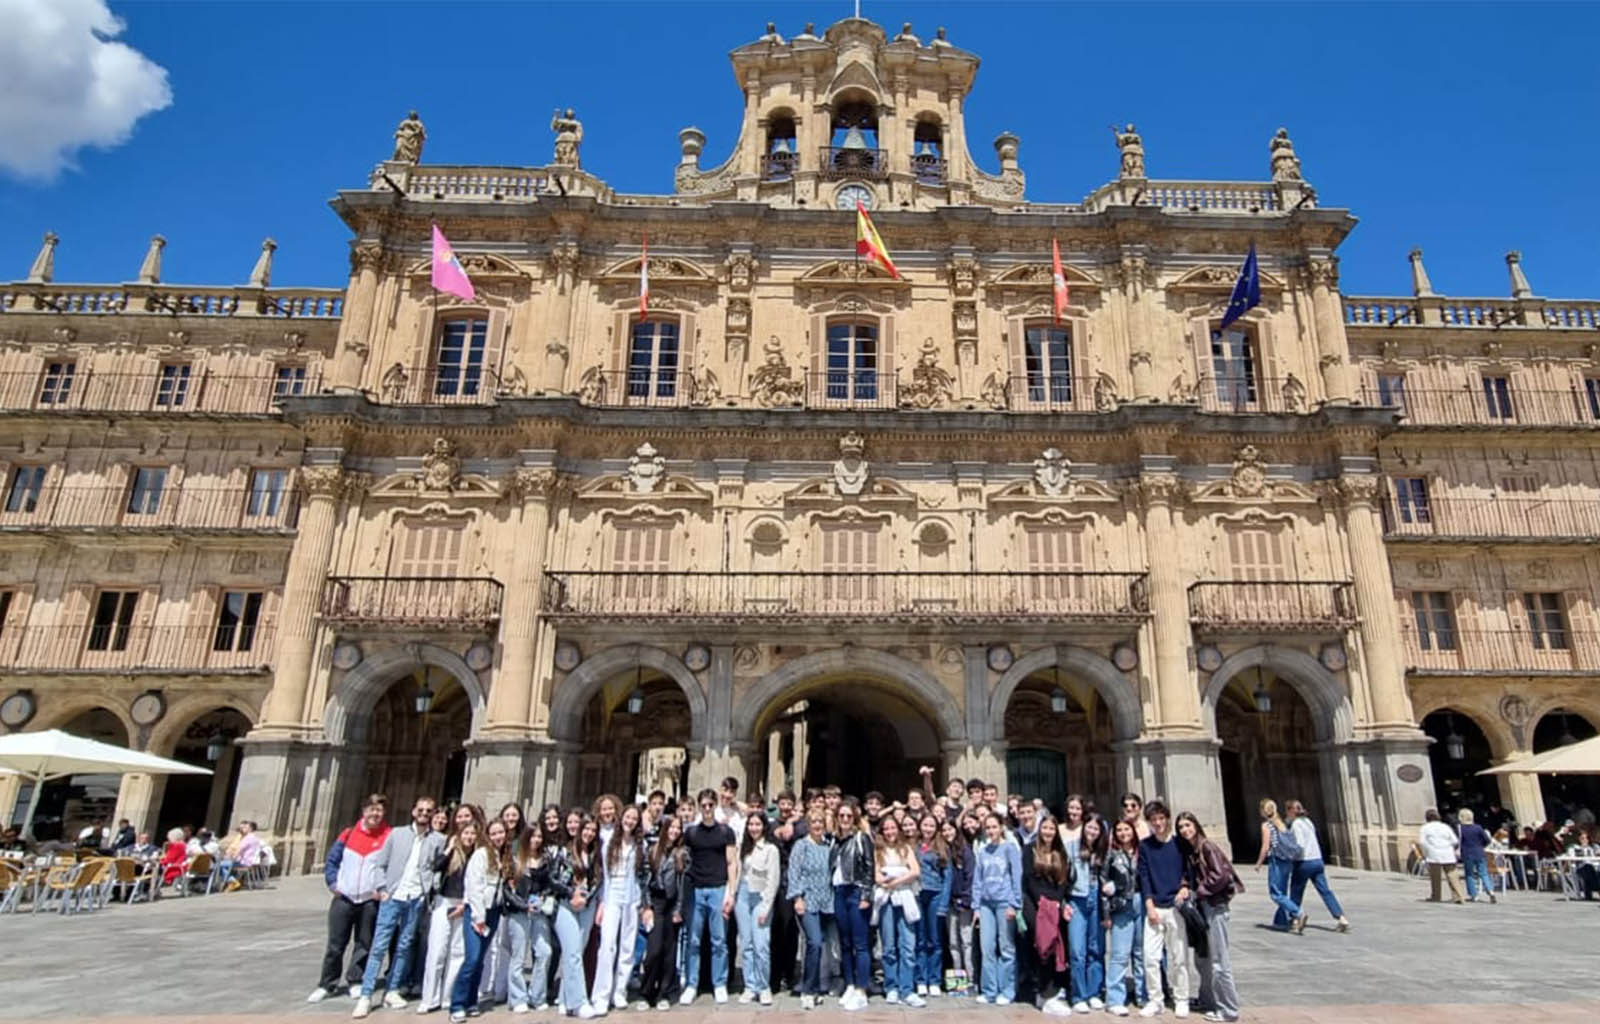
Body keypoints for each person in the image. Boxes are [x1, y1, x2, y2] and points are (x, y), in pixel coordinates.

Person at [353, 796, 443, 1018]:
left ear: (433, 814)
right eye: (421, 810)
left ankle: (392, 990)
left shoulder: (439, 840)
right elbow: (380, 864)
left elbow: (438, 868)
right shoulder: (397, 834)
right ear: (414, 811)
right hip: (393, 897)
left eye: (428, 811)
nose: (424, 814)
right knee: (379, 947)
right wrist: (382, 888)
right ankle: (366, 995)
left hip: (416, 899)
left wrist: (428, 891)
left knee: (404, 946)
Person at [309, 794, 393, 1004]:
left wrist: (381, 889)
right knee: (336, 944)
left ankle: (355, 980)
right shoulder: (348, 834)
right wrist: (333, 884)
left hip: (369, 899)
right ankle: (327, 984)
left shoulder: (388, 836)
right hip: (344, 898)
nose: (375, 814)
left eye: (379, 810)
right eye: (372, 809)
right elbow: (332, 861)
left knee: (364, 943)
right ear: (364, 811)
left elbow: (392, 866)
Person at [1178, 814, 1241, 1024]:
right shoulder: (1192, 851)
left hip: (1215, 906)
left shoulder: (1207, 847)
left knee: (1219, 961)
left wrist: (1199, 891)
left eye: (1188, 825)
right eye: (1181, 827)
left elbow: (1220, 876)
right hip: (1206, 907)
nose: (1185, 830)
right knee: (1203, 957)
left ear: (1196, 825)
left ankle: (1229, 1009)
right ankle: (1207, 999)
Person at [420, 807, 483, 1015]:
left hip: (464, 905)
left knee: (457, 953)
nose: (469, 837)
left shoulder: (478, 855)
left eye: (473, 833)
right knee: (437, 951)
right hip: (444, 902)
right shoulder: (451, 849)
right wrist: (450, 848)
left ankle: (448, 996)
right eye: (466, 833)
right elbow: (435, 866)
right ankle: (429, 998)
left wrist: (465, 904)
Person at [681, 787, 739, 1006]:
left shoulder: (725, 832)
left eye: (710, 805)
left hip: (717, 889)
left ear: (715, 806)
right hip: (696, 890)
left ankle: (720, 983)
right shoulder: (691, 833)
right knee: (693, 940)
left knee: (719, 940)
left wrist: (730, 892)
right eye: (703, 805)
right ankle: (692, 984)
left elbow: (732, 862)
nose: (707, 809)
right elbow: (685, 860)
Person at [592, 804, 648, 1014]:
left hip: (631, 896)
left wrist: (642, 903)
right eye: (628, 817)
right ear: (621, 817)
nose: (630, 821)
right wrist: (602, 902)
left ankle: (620, 991)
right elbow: (604, 874)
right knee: (607, 946)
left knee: (627, 946)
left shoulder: (638, 844)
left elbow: (641, 874)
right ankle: (601, 995)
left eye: (634, 819)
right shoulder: (608, 843)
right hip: (612, 894)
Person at [1137, 800, 1191, 1019]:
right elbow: (1144, 876)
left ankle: (1182, 998)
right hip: (1155, 908)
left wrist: (1185, 887)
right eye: (1153, 820)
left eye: (1161, 818)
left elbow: (1188, 870)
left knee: (1179, 957)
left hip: (1175, 907)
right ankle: (1155, 999)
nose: (1158, 823)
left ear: (1168, 819)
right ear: (1149, 822)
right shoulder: (1145, 846)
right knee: (1150, 958)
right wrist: (1149, 905)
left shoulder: (1180, 844)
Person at [451, 816, 508, 1022]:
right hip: (478, 912)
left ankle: (471, 1001)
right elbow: (474, 887)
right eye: (494, 833)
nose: (498, 836)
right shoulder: (481, 855)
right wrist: (478, 916)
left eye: (501, 832)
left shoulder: (503, 855)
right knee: (472, 958)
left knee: (480, 959)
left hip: (493, 911)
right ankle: (457, 1004)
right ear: (487, 835)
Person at [504, 824, 558, 1013]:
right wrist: (523, 904)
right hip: (520, 911)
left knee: (544, 951)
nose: (537, 840)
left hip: (539, 911)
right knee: (518, 956)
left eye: (539, 837)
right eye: (533, 836)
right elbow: (506, 889)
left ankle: (537, 995)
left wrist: (543, 897)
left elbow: (550, 883)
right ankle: (518, 998)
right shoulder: (514, 859)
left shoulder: (546, 859)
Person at [1022, 815, 1072, 1015]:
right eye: (1045, 828)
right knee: (1042, 946)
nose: (1048, 832)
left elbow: (1063, 881)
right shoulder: (1029, 850)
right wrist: (1044, 901)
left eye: (1052, 828)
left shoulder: (1061, 852)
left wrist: (1056, 902)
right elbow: (1029, 878)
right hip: (1034, 904)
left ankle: (1051, 991)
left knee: (1056, 947)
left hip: (1054, 905)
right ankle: (1044, 992)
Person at [972, 811, 1022, 1006]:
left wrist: (1014, 903)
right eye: (988, 827)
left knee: (1007, 948)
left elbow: (1016, 876)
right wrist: (976, 906)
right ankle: (989, 989)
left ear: (1001, 828)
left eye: (994, 827)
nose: (991, 831)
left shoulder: (1010, 849)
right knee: (987, 948)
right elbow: (978, 880)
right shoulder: (983, 852)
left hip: (1004, 903)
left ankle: (1007, 990)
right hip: (986, 904)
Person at [873, 813, 923, 1007]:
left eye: (893, 828)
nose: (890, 832)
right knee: (889, 946)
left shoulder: (906, 848)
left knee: (908, 945)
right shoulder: (879, 850)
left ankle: (907, 989)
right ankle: (891, 987)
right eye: (886, 829)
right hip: (886, 900)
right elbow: (877, 876)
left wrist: (894, 880)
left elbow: (915, 871)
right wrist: (898, 876)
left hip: (905, 898)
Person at [639, 813, 688, 1010]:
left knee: (670, 951)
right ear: (664, 829)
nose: (674, 831)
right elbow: (644, 880)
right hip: (656, 902)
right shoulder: (653, 851)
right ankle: (647, 992)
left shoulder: (682, 853)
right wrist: (647, 906)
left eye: (678, 828)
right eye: (671, 827)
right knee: (653, 950)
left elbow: (683, 884)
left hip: (673, 903)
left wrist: (678, 909)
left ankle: (664, 993)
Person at [830, 799, 874, 1011]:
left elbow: (869, 867)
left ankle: (862, 989)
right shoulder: (834, 840)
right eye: (842, 816)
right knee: (845, 943)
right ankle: (849, 983)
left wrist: (866, 895)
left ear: (855, 818)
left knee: (861, 943)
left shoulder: (861, 838)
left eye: (849, 816)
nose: (845, 819)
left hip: (856, 891)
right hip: (839, 892)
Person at [788, 810, 834, 1009]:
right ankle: (807, 988)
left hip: (825, 900)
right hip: (807, 900)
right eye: (814, 821)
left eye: (820, 822)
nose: (817, 825)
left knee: (821, 944)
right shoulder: (801, 845)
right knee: (813, 942)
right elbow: (794, 872)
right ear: (808, 824)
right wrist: (797, 897)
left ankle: (815, 988)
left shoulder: (827, 846)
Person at [735, 810, 781, 1004]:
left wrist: (767, 906)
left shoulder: (771, 849)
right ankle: (750, 985)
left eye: (757, 824)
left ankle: (763, 986)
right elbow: (736, 871)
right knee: (746, 943)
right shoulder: (743, 847)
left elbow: (773, 880)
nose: (754, 828)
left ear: (764, 827)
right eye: (751, 824)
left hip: (760, 895)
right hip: (743, 895)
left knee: (761, 943)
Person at [555, 815, 599, 1017]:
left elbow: (598, 879)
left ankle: (565, 998)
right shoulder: (565, 851)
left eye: (593, 830)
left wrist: (587, 898)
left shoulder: (595, 854)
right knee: (572, 952)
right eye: (586, 829)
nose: (589, 833)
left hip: (587, 906)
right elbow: (552, 879)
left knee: (576, 953)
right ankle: (580, 1003)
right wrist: (571, 894)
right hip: (566, 905)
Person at [1283, 800, 1350, 931]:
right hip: (1317, 860)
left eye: (1287, 811)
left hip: (1304, 862)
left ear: (1291, 811)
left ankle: (1296, 919)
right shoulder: (1308, 822)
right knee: (1325, 891)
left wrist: (1290, 856)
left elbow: (1300, 845)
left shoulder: (1296, 824)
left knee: (1296, 892)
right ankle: (1341, 917)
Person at [1103, 818, 1145, 1017]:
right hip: (1121, 905)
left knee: (1140, 952)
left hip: (1141, 902)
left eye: (1126, 829)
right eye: (1118, 830)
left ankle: (1143, 995)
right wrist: (1106, 912)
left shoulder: (1142, 851)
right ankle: (1114, 998)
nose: (1122, 833)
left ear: (1133, 831)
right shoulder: (1110, 855)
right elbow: (1103, 881)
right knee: (1119, 954)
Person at [1068, 817, 1107, 1013]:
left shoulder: (1103, 850)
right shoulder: (1071, 847)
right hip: (1077, 898)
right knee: (1077, 950)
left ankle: (1094, 992)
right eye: (1089, 827)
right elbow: (1062, 875)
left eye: (1096, 828)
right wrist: (1063, 902)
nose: (1092, 831)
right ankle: (1078, 995)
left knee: (1096, 948)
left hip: (1097, 899)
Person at [769, 791, 803, 998]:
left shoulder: (801, 825)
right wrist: (789, 822)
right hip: (775, 880)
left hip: (793, 879)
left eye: (789, 803)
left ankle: (789, 973)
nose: (786, 806)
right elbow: (779, 834)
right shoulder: (771, 823)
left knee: (791, 929)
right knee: (776, 928)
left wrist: (793, 822)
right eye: (783, 803)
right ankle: (775, 974)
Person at [913, 814, 951, 998]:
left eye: (931, 825)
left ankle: (935, 980)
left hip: (936, 894)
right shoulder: (914, 846)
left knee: (934, 940)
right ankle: (921, 979)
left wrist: (944, 903)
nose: (928, 828)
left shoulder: (942, 847)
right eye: (925, 824)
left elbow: (948, 877)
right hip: (918, 895)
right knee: (920, 939)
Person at [1251, 799, 1302, 932]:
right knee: (1283, 892)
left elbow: (1265, 846)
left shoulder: (1267, 825)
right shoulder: (1281, 823)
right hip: (1287, 860)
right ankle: (1281, 921)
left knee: (1276, 894)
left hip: (1276, 859)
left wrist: (1259, 863)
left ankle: (1298, 913)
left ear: (1263, 811)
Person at [940, 817, 975, 996]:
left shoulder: (965, 850)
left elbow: (970, 876)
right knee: (953, 943)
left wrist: (967, 899)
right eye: (944, 830)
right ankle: (958, 981)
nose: (947, 833)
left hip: (964, 902)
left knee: (966, 942)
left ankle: (970, 980)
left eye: (950, 829)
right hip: (949, 903)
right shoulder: (943, 850)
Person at [1418, 809, 1464, 904]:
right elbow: (1455, 840)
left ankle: (1436, 896)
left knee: (1435, 877)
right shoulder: (1445, 827)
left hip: (1433, 854)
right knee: (1453, 875)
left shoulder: (1425, 828)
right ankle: (1459, 896)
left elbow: (1422, 842)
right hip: (1448, 853)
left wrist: (1426, 851)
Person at [1456, 808, 1496, 904]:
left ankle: (1474, 895)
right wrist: (1481, 846)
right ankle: (1491, 891)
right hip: (1479, 852)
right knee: (1484, 873)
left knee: (1469, 874)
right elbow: (1487, 840)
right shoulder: (1478, 827)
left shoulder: (1460, 828)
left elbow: (1458, 841)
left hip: (1467, 853)